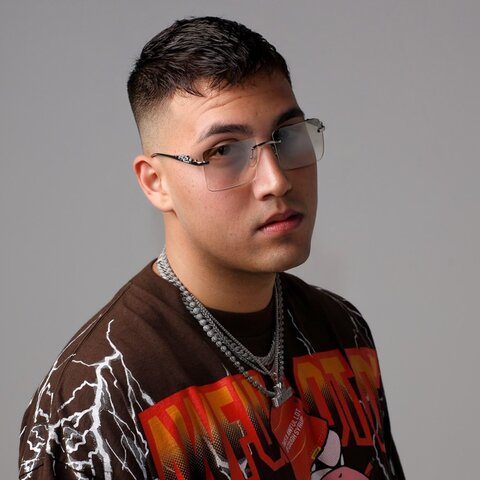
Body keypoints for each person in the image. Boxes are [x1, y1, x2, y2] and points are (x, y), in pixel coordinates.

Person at [18, 16, 404, 480]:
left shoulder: (342, 330)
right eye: (223, 151)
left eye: (286, 137)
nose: (276, 180)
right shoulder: (100, 391)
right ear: (156, 183)